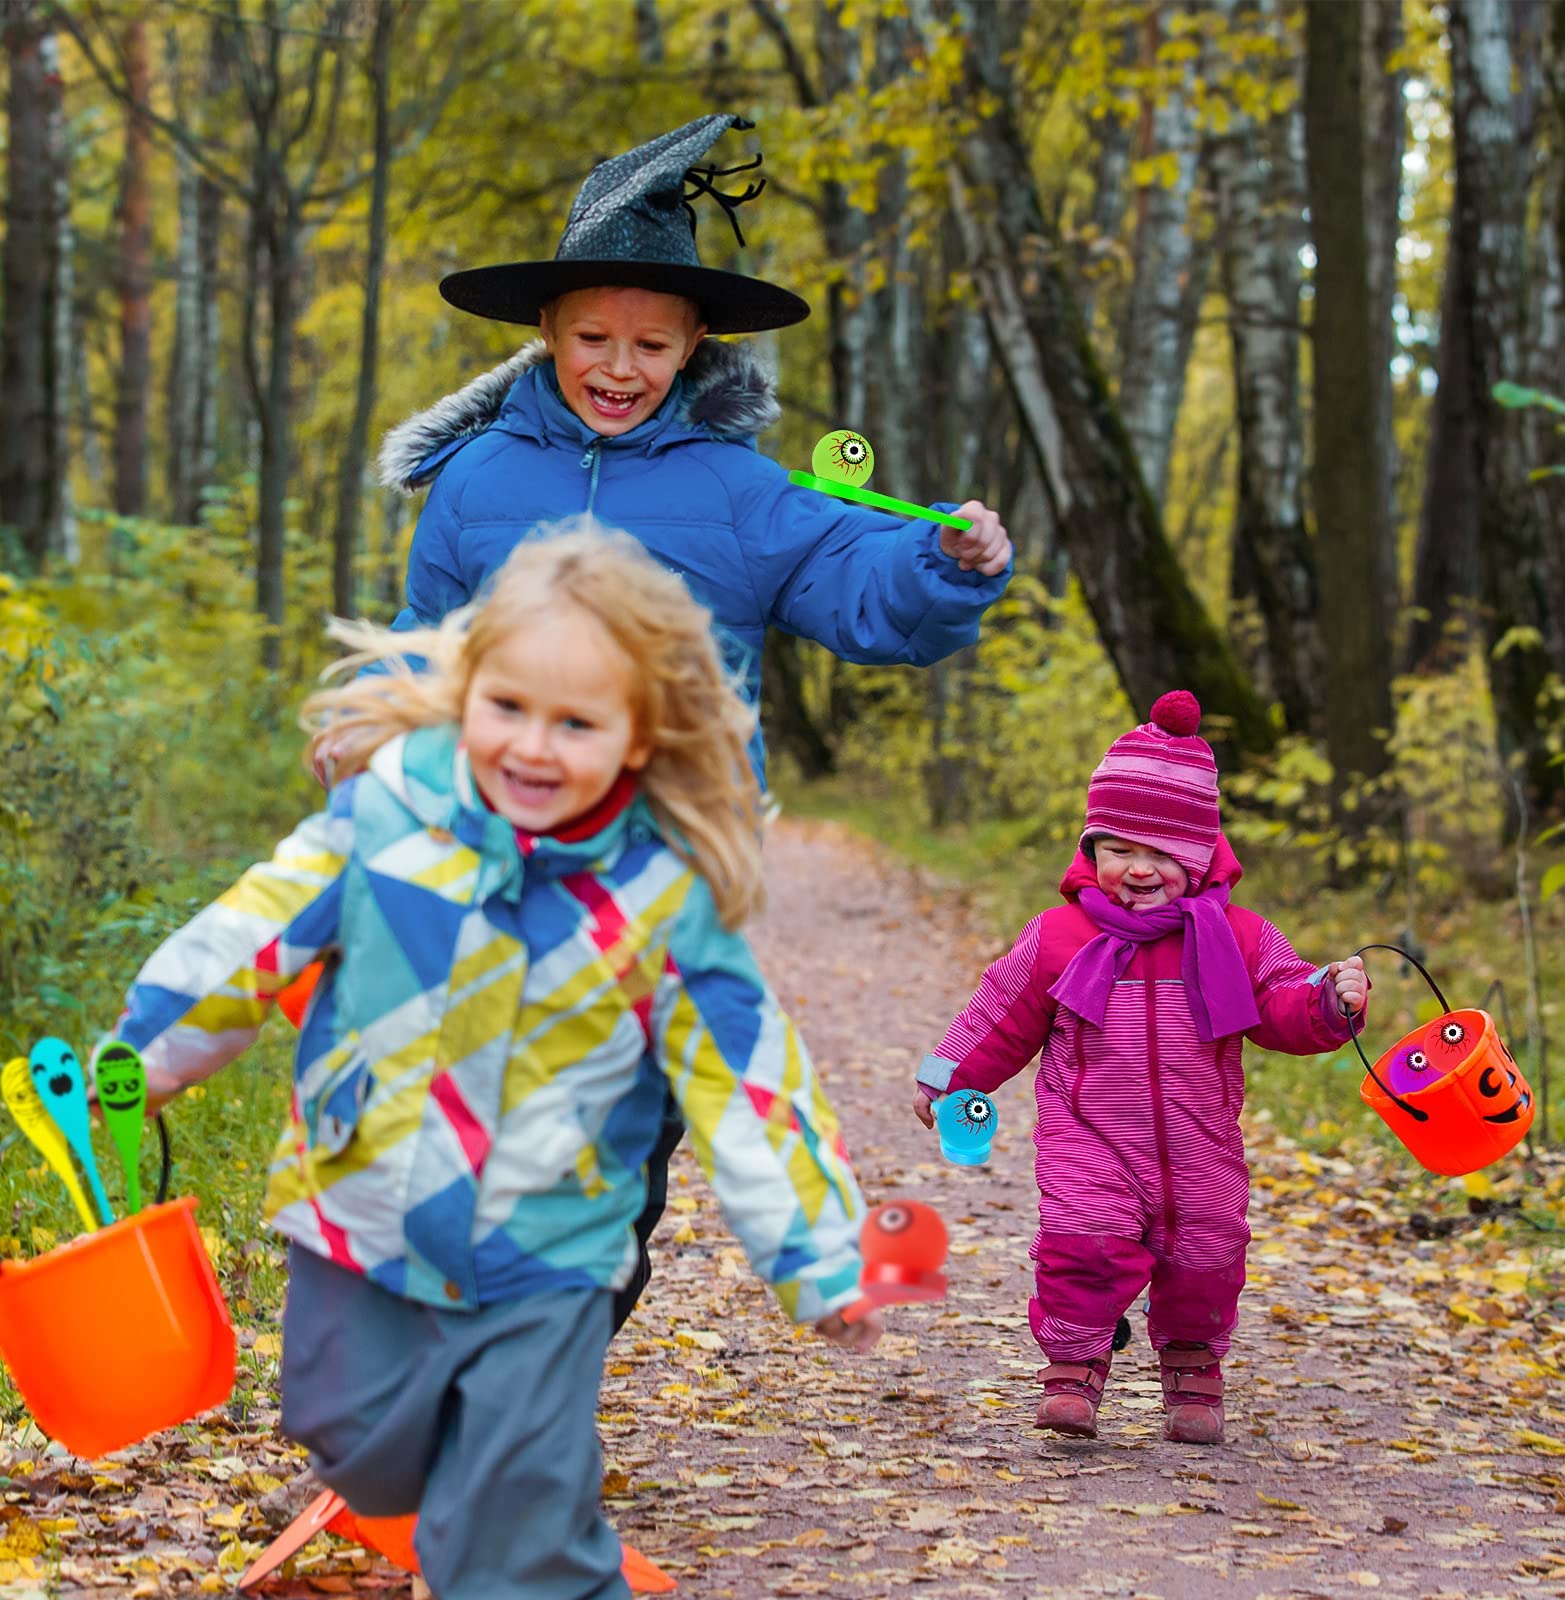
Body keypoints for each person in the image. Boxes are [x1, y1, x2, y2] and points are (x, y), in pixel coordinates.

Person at [107, 526, 881, 1600]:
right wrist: (146, 1049)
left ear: (640, 737)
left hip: (543, 1250)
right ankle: (506, 1539)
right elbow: (255, 931)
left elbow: (748, 1080)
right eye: (509, 707)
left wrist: (818, 1254)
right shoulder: (384, 819)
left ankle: (530, 1556)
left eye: (577, 723)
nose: (532, 746)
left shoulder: (662, 900)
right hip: (357, 1214)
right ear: (468, 690)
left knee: (508, 1523)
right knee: (347, 1436)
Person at [375, 111, 1013, 1331]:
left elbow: (861, 589)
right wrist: (373, 751)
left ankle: (548, 1375)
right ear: (545, 335)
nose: (620, 367)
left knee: (616, 1151)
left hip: (662, 885)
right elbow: (425, 648)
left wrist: (950, 570)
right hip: (490, 873)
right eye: (595, 338)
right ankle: (462, 1371)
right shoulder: (475, 484)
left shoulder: (739, 492)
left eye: (651, 345)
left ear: (694, 346)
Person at [911, 692, 1370, 1446]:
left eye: (1161, 854)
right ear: (1091, 849)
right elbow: (1001, 1011)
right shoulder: (1061, 937)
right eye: (1119, 848)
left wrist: (1330, 1000)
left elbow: (1284, 1003)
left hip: (1200, 1140)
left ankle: (1192, 1367)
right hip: (1090, 1134)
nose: (1139, 869)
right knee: (1083, 1239)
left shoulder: (1239, 939)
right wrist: (950, 1073)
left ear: (1197, 857)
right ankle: (1074, 1367)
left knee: (1209, 1249)